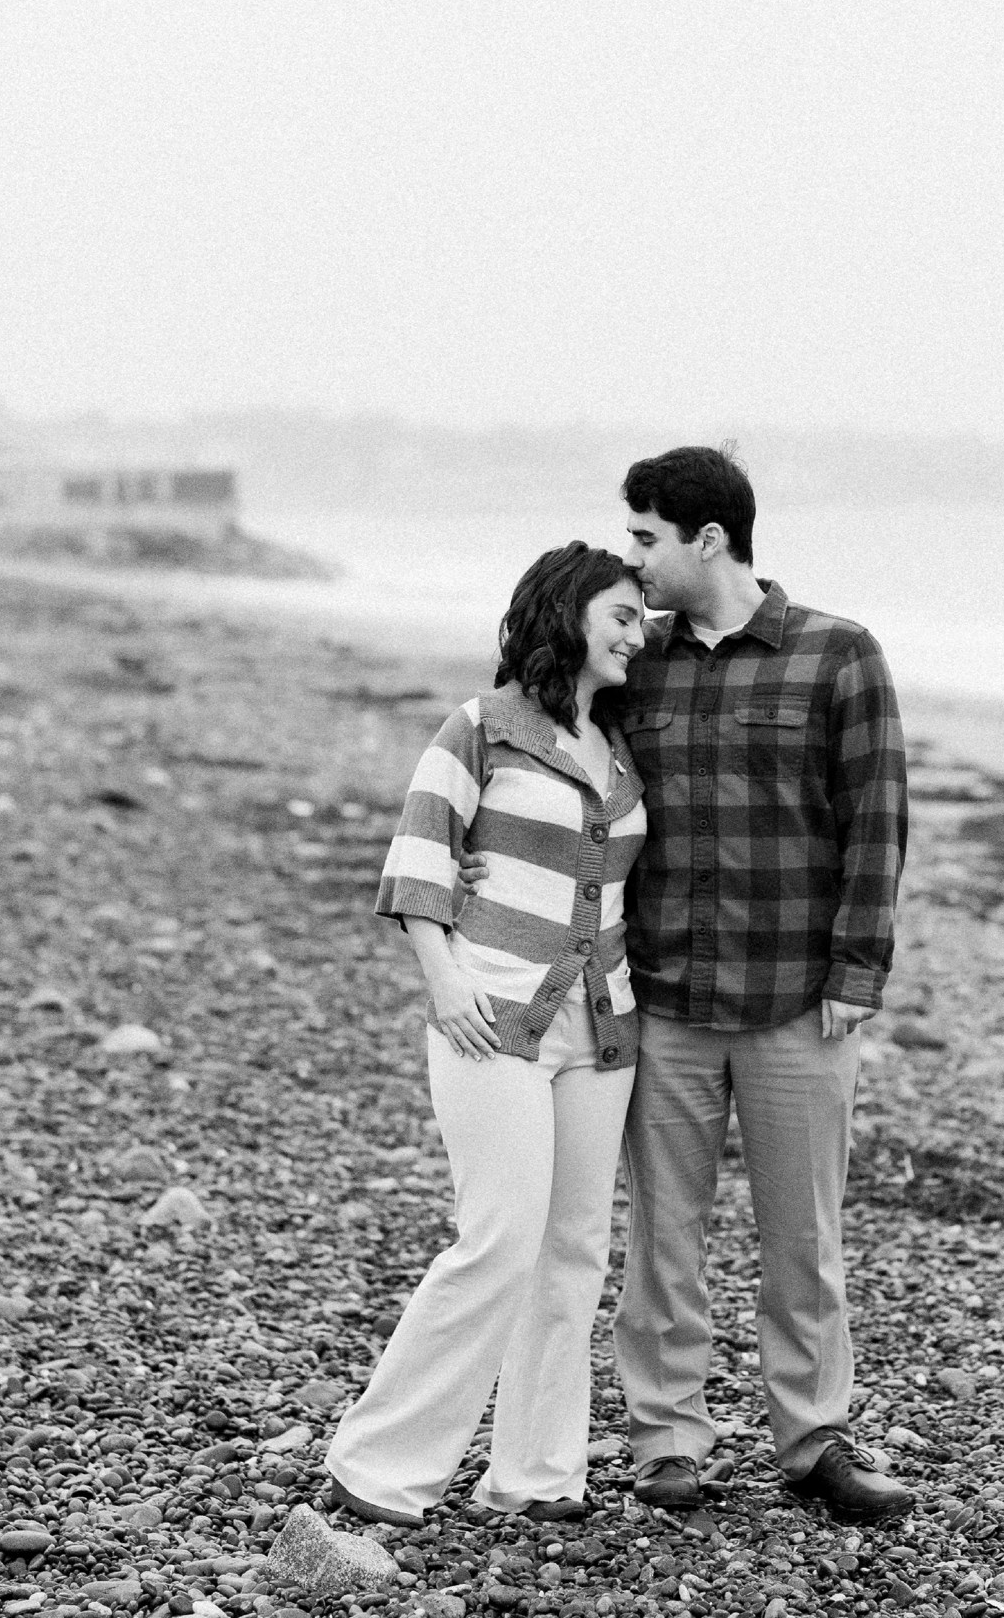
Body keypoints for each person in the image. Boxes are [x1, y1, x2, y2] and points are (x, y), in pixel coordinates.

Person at [608, 445, 911, 1523]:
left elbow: (876, 820)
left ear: (708, 539)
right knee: (663, 1237)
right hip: (667, 997)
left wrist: (857, 969)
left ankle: (815, 1440)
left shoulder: (839, 653)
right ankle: (667, 1441)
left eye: (645, 536)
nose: (630, 556)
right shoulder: (629, 660)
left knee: (804, 1237)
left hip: (798, 1000)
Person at [323, 542, 647, 1527]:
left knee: (575, 1248)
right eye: (623, 616)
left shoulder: (619, 743)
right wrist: (445, 977)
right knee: (499, 1237)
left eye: (643, 619)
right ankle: (382, 1464)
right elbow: (421, 854)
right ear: (569, 611)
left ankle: (540, 1473)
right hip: (489, 1016)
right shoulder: (480, 725)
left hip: (602, 1028)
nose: (639, 634)